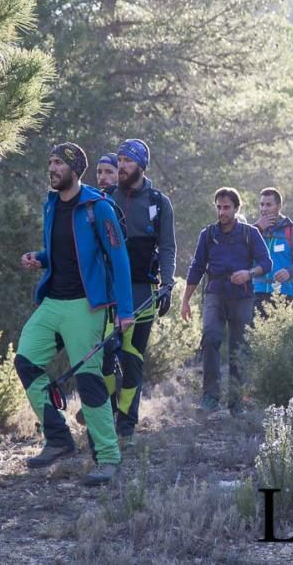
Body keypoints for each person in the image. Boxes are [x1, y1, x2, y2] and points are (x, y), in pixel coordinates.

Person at [16, 142, 134, 486]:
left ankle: (109, 457)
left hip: (87, 306)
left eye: (58, 163)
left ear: (73, 169)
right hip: (52, 302)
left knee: (89, 379)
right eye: (50, 161)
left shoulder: (98, 208)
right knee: (26, 361)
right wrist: (41, 257)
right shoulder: (51, 205)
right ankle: (57, 438)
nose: (51, 168)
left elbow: (119, 258)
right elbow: (65, 252)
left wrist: (124, 310)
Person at [106, 139, 176, 445]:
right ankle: (106, 412)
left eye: (128, 161)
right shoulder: (105, 198)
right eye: (119, 159)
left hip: (142, 289)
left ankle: (126, 423)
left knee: (132, 356)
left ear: (141, 165)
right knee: (106, 353)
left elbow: (169, 246)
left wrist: (168, 284)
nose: (121, 165)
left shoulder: (160, 202)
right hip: (108, 292)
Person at [181, 187, 272, 414]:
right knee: (210, 337)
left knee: (239, 348)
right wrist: (185, 300)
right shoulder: (208, 234)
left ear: (236, 208)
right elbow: (197, 267)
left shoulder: (250, 234)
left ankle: (236, 399)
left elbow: (266, 263)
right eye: (219, 207)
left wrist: (249, 273)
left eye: (227, 207)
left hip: (242, 295)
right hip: (215, 292)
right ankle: (210, 397)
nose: (222, 212)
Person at [252, 187, 293, 316]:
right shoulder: (253, 232)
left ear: (279, 206)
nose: (264, 209)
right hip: (256, 294)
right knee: (255, 335)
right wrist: (257, 229)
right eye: (261, 204)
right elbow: (241, 255)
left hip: (285, 295)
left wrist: (289, 272)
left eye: (268, 205)